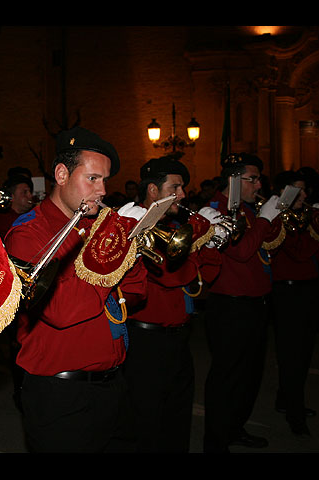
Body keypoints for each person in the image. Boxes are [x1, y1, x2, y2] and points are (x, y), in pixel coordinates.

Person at [4, 126, 147, 453]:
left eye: (105, 181)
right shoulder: (28, 233)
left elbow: (135, 295)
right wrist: (107, 256)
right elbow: (62, 311)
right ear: (62, 174)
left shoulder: (94, 226)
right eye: (93, 179)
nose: (102, 190)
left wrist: (131, 248)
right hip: (62, 394)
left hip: (113, 383)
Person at [124, 155, 222, 452]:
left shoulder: (171, 224)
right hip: (147, 339)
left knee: (177, 417)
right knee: (147, 421)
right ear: (153, 190)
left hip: (178, 335)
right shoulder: (136, 222)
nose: (182, 194)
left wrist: (212, 242)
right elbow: (171, 275)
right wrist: (198, 236)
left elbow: (204, 277)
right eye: (175, 187)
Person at [202, 152, 284, 453]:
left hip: (255, 303)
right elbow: (242, 250)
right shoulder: (217, 210)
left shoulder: (248, 210)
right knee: (227, 377)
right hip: (231, 307)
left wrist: (271, 218)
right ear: (234, 181)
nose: (258, 184)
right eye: (252, 179)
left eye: (259, 178)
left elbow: (265, 245)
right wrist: (264, 220)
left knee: (250, 375)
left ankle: (234, 428)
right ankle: (215, 441)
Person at [269, 170, 319, 437]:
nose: (305, 195)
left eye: (305, 190)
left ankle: (286, 399)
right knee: (290, 354)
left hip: (308, 291)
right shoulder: (274, 217)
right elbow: (295, 252)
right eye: (299, 190)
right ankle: (295, 412)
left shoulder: (305, 216)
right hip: (286, 293)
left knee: (304, 351)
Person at [0, 173, 34, 239]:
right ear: (12, 197)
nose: (30, 196)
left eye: (30, 192)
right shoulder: (2, 221)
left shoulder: (32, 215)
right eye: (25, 192)